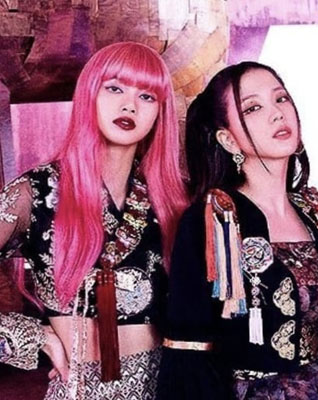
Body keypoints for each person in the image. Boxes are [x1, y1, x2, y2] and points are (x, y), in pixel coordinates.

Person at [0, 42, 188, 399]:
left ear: (160, 112)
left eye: (147, 96)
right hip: (78, 390)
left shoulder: (173, 200)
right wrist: (32, 336)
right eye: (115, 88)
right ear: (89, 95)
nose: (129, 105)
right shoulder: (36, 191)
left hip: (165, 387)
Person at [156, 61, 318, 400]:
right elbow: (188, 350)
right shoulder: (213, 220)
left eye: (281, 99)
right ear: (228, 140)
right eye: (253, 108)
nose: (277, 113)